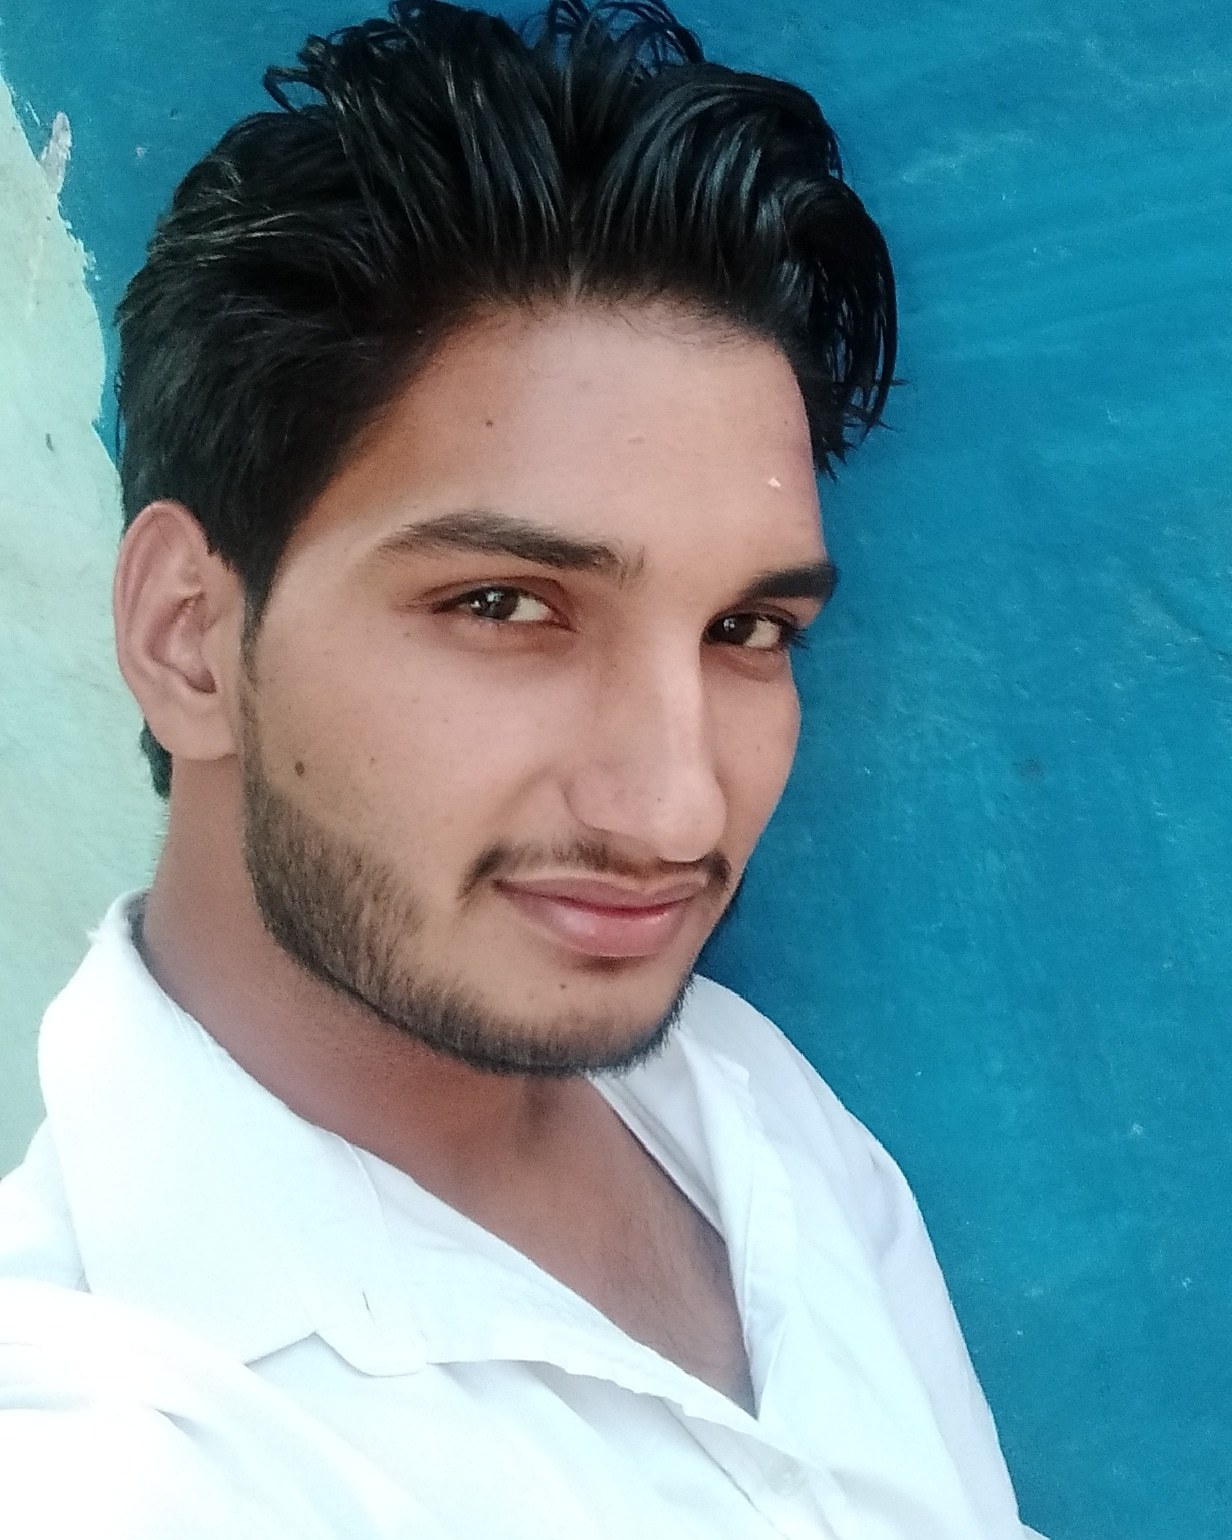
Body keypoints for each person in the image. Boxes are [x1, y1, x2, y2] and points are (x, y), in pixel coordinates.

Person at [0, 2, 1045, 1535]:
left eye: (747, 630)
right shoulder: (107, 1461)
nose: (676, 812)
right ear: (189, 638)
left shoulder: (738, 1102)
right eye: (504, 605)